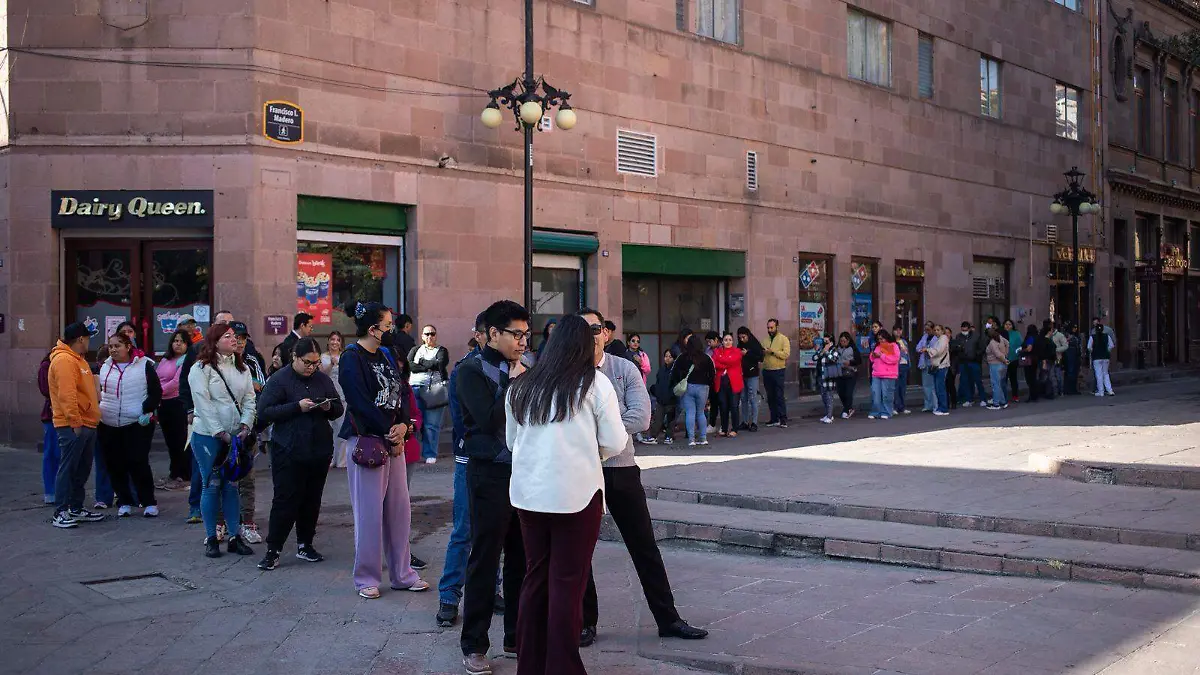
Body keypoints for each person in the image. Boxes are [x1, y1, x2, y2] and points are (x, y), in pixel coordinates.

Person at [506, 314, 629, 675]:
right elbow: (615, 442)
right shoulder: (594, 384)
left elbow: (513, 443)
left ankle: (530, 665)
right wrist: (592, 452)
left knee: (535, 578)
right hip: (577, 494)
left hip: (529, 495)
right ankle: (563, 667)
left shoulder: (521, 385)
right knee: (567, 583)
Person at [579, 309, 708, 649]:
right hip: (579, 472)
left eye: (595, 327)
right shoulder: (569, 373)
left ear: (606, 332)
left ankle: (668, 618)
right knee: (580, 551)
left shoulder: (623, 369)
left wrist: (588, 431)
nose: (590, 334)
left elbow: (641, 417)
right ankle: (584, 622)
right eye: (582, 328)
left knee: (644, 545)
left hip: (620, 469)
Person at [337, 302, 429, 598]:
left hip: (394, 440)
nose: (391, 329)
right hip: (368, 442)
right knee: (369, 512)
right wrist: (389, 432)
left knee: (399, 510)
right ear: (372, 329)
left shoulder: (387, 354)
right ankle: (366, 577)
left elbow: (402, 392)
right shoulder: (351, 357)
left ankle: (403, 573)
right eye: (387, 325)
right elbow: (359, 401)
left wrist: (404, 426)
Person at [459, 300, 531, 675]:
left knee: (521, 556)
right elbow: (488, 420)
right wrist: (514, 380)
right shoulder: (470, 370)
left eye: (525, 335)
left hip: (524, 472)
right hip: (488, 473)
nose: (522, 342)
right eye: (515, 334)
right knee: (485, 559)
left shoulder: (526, 367)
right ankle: (474, 643)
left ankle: (516, 636)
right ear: (492, 334)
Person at [256, 337, 344, 571]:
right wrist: (297, 407)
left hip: (318, 449)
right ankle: (273, 549)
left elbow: (338, 408)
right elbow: (264, 411)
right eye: (307, 362)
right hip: (288, 449)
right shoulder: (279, 379)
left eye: (315, 363)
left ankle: (305, 544)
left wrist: (327, 407)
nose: (312, 367)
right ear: (295, 358)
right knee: (285, 500)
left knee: (312, 499)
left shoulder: (322, 379)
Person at [189, 323, 258, 558]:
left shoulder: (243, 368)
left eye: (235, 337)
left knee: (232, 485)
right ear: (215, 340)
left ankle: (234, 536)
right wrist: (220, 432)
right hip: (208, 436)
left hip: (235, 436)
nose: (234, 340)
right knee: (212, 484)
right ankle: (211, 537)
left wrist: (245, 426)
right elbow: (203, 403)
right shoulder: (201, 368)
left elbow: (249, 399)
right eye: (227, 336)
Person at [436, 316, 487, 628]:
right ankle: (449, 595)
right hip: (470, 459)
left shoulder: (516, 367)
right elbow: (467, 420)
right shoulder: (465, 370)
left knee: (494, 531)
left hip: (503, 461)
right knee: (464, 530)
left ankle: (491, 589)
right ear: (482, 335)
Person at [97, 332, 163, 518]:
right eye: (111, 346)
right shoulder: (105, 367)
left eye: (118, 345)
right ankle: (124, 501)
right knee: (114, 464)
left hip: (136, 423)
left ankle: (148, 502)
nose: (114, 349)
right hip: (109, 422)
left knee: (138, 461)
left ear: (128, 347)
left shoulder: (144, 365)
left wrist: (146, 408)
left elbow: (156, 391)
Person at [49, 323, 105, 529]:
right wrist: (74, 421)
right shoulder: (64, 360)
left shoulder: (77, 360)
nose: (89, 342)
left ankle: (75, 507)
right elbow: (67, 394)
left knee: (81, 468)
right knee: (69, 468)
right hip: (73, 424)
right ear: (81, 339)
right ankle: (61, 510)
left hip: (87, 422)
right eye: (88, 338)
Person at [230, 321, 266, 544]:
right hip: (222, 427)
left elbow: (260, 387)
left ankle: (248, 523)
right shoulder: (216, 363)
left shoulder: (251, 360)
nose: (240, 342)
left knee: (247, 478)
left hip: (247, 426)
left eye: (243, 338)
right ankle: (221, 523)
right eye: (236, 337)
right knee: (222, 479)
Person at [155, 329, 191, 491]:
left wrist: (156, 392)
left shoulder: (185, 360)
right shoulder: (165, 359)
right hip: (163, 404)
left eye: (182, 341)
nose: (178, 344)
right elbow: (156, 377)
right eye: (175, 340)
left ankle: (183, 475)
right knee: (170, 441)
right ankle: (173, 472)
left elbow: (176, 383)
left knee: (180, 441)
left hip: (177, 403)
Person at [409, 324, 450, 464]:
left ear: (436, 335)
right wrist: (428, 364)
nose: (429, 337)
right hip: (414, 388)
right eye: (426, 334)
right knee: (413, 422)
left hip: (434, 390)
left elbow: (440, 364)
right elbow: (410, 366)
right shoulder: (415, 349)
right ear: (422, 336)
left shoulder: (441, 350)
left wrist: (420, 362)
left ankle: (430, 453)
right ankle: (412, 452)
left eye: (432, 334)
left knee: (431, 424)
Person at [668, 335, 715, 447]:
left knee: (690, 413)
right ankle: (703, 438)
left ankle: (691, 439)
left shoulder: (682, 357)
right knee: (700, 413)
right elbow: (712, 374)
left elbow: (674, 372)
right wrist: (708, 384)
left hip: (688, 387)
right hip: (703, 387)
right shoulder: (706, 358)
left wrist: (679, 382)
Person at [321, 331, 352, 467]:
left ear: (341, 343)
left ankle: (341, 460)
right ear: (328, 341)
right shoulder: (322, 357)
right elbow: (321, 375)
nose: (334, 342)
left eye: (338, 340)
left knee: (341, 427)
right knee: (328, 428)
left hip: (342, 394)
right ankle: (330, 459)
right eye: (332, 339)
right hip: (326, 393)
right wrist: (331, 364)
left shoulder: (345, 357)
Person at [38, 349, 61, 504]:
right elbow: (46, 389)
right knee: (52, 454)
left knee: (62, 455)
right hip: (52, 415)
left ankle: (62, 489)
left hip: (69, 414)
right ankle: (51, 491)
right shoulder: (47, 365)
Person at [711, 332, 744, 437]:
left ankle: (735, 429)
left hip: (734, 383)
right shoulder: (717, 351)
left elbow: (733, 361)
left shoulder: (737, 351)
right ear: (722, 341)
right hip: (721, 383)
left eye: (730, 340)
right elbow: (714, 362)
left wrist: (722, 362)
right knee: (723, 406)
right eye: (726, 340)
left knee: (734, 406)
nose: (728, 342)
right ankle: (724, 429)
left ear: (733, 341)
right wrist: (725, 364)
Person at [761, 319, 790, 428]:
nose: (770, 330)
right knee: (770, 396)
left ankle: (783, 418)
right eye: (768, 327)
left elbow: (786, 354)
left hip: (778, 370)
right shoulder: (765, 340)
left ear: (777, 327)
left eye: (772, 327)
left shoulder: (783, 339)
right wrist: (763, 353)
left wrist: (772, 352)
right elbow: (762, 354)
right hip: (767, 370)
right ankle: (774, 418)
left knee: (779, 395)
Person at [646, 348, 678, 444]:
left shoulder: (675, 370)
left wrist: (671, 395)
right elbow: (658, 382)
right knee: (658, 418)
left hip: (671, 399)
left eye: (670, 357)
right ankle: (653, 436)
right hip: (661, 398)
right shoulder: (662, 369)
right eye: (666, 356)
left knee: (670, 419)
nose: (667, 358)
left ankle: (669, 437)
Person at [735, 326, 764, 431]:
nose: (742, 340)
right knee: (743, 398)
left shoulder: (754, 344)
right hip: (742, 374)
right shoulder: (740, 345)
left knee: (753, 398)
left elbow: (760, 357)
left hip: (752, 374)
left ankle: (754, 422)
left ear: (748, 335)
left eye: (744, 337)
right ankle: (745, 421)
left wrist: (747, 353)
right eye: (740, 338)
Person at [951, 321, 986, 407]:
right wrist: (959, 350)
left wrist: (976, 355)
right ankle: (968, 399)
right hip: (963, 361)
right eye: (962, 330)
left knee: (978, 381)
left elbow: (982, 348)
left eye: (965, 330)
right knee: (965, 381)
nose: (964, 331)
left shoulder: (976, 336)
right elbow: (955, 347)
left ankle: (983, 399)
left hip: (974, 362)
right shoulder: (958, 336)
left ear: (969, 329)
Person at [867, 330, 900, 420]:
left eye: (882, 338)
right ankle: (875, 412)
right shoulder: (878, 346)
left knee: (886, 394)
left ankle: (886, 412)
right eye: (879, 339)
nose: (881, 340)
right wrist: (873, 355)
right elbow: (872, 358)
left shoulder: (893, 345)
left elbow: (895, 359)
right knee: (875, 393)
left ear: (886, 337)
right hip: (876, 373)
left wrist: (881, 356)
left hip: (888, 374)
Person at [811, 335, 839, 423]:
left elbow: (834, 359)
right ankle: (828, 414)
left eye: (826, 342)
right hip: (821, 375)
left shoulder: (834, 350)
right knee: (823, 396)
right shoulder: (822, 349)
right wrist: (822, 351)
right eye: (824, 341)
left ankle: (829, 416)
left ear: (831, 342)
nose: (825, 343)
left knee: (829, 396)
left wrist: (826, 352)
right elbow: (814, 358)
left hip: (829, 375)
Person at [834, 332, 860, 418]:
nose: (843, 343)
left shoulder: (853, 348)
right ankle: (848, 407)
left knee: (848, 392)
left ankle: (847, 410)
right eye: (841, 341)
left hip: (851, 372)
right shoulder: (837, 348)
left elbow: (859, 360)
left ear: (848, 341)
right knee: (841, 392)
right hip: (840, 372)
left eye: (845, 341)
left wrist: (850, 362)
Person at [927, 324, 951, 416]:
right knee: (938, 388)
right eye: (935, 330)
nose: (936, 332)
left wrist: (928, 350)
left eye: (938, 330)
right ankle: (941, 407)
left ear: (942, 331)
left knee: (940, 388)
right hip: (938, 366)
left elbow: (938, 351)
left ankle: (943, 408)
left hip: (941, 366)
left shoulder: (943, 338)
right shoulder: (939, 339)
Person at [984, 328, 1010, 410]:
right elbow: (1008, 343)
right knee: (999, 384)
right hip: (1002, 365)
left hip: (995, 364)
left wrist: (1004, 359)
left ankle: (996, 404)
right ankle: (1003, 402)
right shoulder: (1000, 337)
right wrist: (1005, 354)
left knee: (996, 385)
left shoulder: (992, 342)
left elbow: (997, 354)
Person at [1088, 322, 1115, 396]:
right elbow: (1111, 345)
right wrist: (1107, 351)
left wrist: (1093, 351)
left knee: (1098, 374)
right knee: (1105, 373)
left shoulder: (1092, 337)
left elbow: (1089, 347)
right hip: (1106, 357)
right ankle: (1110, 390)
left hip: (1096, 357)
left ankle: (1101, 391)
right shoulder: (1107, 336)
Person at [914, 322, 936, 412]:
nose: (927, 332)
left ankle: (935, 405)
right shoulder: (924, 337)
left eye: (928, 330)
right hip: (925, 362)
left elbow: (937, 349)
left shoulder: (936, 338)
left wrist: (927, 349)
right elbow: (918, 347)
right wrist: (922, 349)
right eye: (925, 330)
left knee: (933, 385)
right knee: (926, 385)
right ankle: (927, 405)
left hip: (933, 362)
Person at [1004, 319, 1022, 403]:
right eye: (1006, 324)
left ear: (1012, 325)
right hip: (1003, 360)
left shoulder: (1016, 334)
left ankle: (1015, 396)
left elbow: (1020, 345)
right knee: (1003, 379)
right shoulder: (1002, 334)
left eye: (1009, 324)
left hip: (1014, 359)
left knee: (1013, 379)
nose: (1007, 326)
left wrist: (1016, 353)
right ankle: (1003, 396)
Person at [1021, 325, 1041, 402]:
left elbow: (1029, 349)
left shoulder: (1030, 338)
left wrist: (1022, 350)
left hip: (1028, 359)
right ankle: (1034, 395)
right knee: (1033, 377)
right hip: (1035, 359)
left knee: (1029, 378)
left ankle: (1032, 395)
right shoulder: (1037, 337)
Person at [1050, 321, 1069, 397]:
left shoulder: (1059, 335)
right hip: (1050, 358)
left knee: (1058, 375)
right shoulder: (1047, 335)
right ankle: (1054, 391)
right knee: (1051, 375)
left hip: (1058, 358)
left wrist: (1057, 350)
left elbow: (1065, 346)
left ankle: (1060, 391)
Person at [1064, 322, 1082, 396]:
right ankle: (1069, 389)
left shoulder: (1076, 336)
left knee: (1075, 372)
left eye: (1076, 328)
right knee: (1070, 371)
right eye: (1074, 328)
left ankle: (1073, 389)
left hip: (1076, 355)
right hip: (1070, 354)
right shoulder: (1067, 335)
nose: (1075, 329)